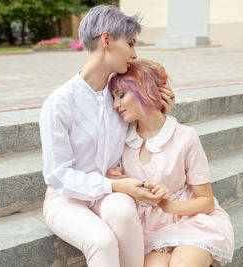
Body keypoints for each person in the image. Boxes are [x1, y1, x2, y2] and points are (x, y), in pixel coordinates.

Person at [39, 5, 175, 267]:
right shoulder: (59, 103)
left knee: (124, 211)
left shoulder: (120, 98)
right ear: (106, 40)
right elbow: (57, 176)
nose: (134, 55)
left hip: (108, 192)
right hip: (66, 198)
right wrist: (112, 185)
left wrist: (158, 115)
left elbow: (140, 141)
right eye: (131, 43)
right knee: (102, 241)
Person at [108, 58, 235, 267]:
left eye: (122, 95)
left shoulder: (185, 137)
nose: (116, 105)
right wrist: (116, 181)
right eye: (114, 97)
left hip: (190, 220)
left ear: (144, 90)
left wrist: (170, 205)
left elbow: (206, 201)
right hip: (147, 231)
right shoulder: (120, 140)